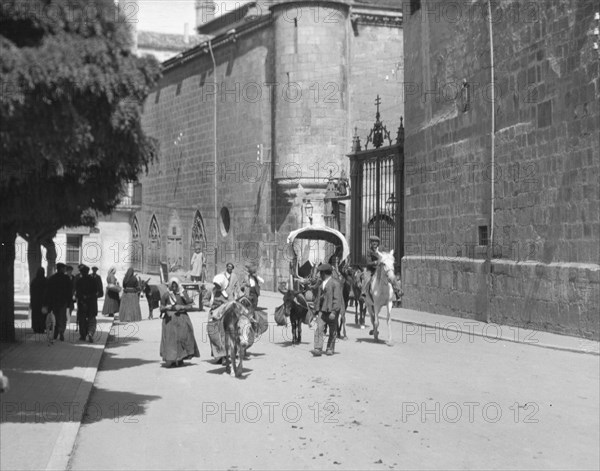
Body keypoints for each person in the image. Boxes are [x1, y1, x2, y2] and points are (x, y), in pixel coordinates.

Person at [160, 277, 200, 367]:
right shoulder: (166, 295)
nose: (174, 288)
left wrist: (182, 307)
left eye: (175, 286)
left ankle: (181, 358)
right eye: (172, 286)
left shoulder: (182, 294)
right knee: (171, 340)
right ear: (170, 286)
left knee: (183, 338)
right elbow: (161, 308)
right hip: (170, 320)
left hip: (182, 318)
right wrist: (167, 308)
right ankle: (172, 359)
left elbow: (190, 306)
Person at [310, 264, 343, 357]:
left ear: (324, 273)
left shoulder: (335, 283)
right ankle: (318, 348)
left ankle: (330, 348)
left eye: (320, 273)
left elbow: (337, 299)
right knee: (319, 328)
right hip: (322, 310)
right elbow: (318, 298)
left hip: (332, 311)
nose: (319, 275)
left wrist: (334, 311)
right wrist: (316, 310)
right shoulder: (322, 284)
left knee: (332, 331)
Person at [360, 235, 403, 303]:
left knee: (391, 276)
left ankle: (398, 291)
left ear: (378, 243)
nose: (374, 243)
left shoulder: (382, 248)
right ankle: (363, 294)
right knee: (366, 277)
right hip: (372, 269)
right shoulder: (369, 251)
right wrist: (375, 262)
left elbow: (387, 254)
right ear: (370, 243)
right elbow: (368, 263)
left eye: (376, 242)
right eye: (373, 242)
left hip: (381, 269)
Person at [43, 263, 72, 341]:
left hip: (54, 302)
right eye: (64, 268)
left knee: (55, 317)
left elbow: (48, 291)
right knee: (62, 317)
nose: (65, 269)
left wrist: (47, 302)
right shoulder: (66, 278)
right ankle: (61, 331)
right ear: (61, 269)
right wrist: (69, 302)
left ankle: (56, 332)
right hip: (63, 301)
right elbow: (70, 291)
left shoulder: (52, 278)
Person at [207, 273, 230, 364]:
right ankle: (218, 356)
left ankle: (225, 356)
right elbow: (204, 300)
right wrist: (211, 304)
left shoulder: (226, 293)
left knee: (223, 336)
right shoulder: (211, 291)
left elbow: (230, 303)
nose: (216, 286)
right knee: (214, 335)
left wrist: (223, 305)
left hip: (223, 316)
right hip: (213, 315)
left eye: (218, 285)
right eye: (215, 284)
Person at [75, 265, 98, 342]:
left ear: (81, 272)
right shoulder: (93, 280)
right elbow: (96, 292)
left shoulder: (79, 281)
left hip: (82, 304)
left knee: (82, 320)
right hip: (92, 304)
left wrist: (83, 298)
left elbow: (78, 293)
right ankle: (91, 333)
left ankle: (83, 335)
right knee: (92, 320)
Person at [30, 267, 47, 334]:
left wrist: (31, 301)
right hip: (43, 302)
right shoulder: (45, 281)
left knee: (35, 315)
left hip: (35, 302)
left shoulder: (34, 281)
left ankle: (36, 328)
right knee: (42, 316)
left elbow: (31, 292)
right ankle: (42, 328)